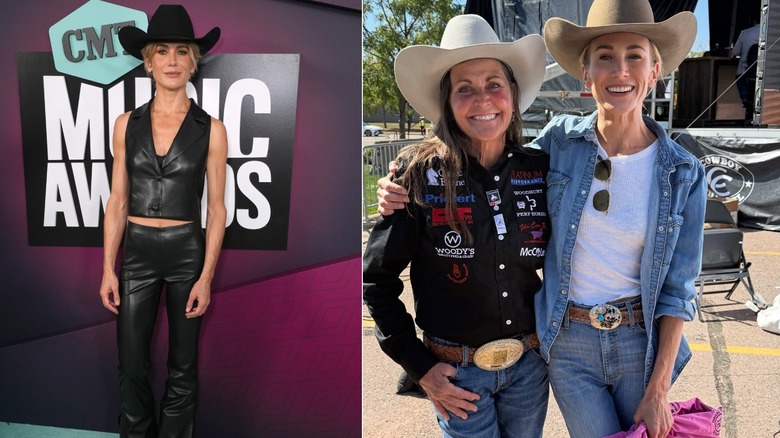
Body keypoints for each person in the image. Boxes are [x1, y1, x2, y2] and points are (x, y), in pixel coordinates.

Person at [377, 1, 707, 437]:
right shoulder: (559, 146)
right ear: (586, 75)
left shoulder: (680, 172)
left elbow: (679, 288)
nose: (620, 70)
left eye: (634, 56)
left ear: (655, 70)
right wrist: (400, 182)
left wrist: (660, 386)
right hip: (558, 344)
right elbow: (377, 278)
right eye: (605, 55)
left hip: (620, 344)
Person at [363, 14, 550, 437]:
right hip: (455, 375)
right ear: (448, 102)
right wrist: (421, 368)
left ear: (513, 95)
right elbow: (376, 281)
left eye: (493, 84)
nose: (482, 99)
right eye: (465, 88)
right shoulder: (417, 174)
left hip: (528, 369)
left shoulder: (540, 169)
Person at [99, 5, 227, 437]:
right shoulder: (124, 124)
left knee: (183, 365)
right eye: (162, 51)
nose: (172, 60)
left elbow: (216, 209)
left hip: (186, 253)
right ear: (148, 60)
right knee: (131, 363)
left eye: (181, 51)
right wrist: (107, 269)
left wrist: (206, 276)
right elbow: (116, 202)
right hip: (136, 253)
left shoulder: (212, 128)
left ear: (194, 61)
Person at [731, 20, 761, 120]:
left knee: (739, 78)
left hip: (747, 71)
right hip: (766, 73)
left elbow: (735, 52)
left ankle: (745, 98)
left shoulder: (745, 33)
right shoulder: (773, 33)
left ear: (754, 21)